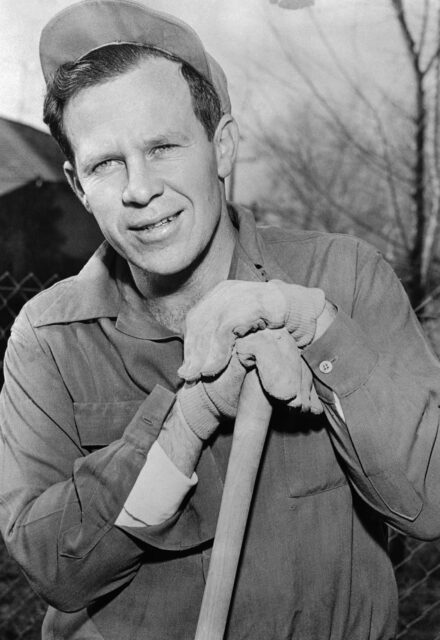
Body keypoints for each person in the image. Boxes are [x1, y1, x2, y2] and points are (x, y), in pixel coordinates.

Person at [1, 1, 440, 638]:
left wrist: (314, 329)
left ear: (222, 147)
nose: (139, 188)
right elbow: (54, 569)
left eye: (163, 147)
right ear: (76, 185)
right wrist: (188, 417)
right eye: (106, 163)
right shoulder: (49, 337)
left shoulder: (342, 278)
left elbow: (429, 502)